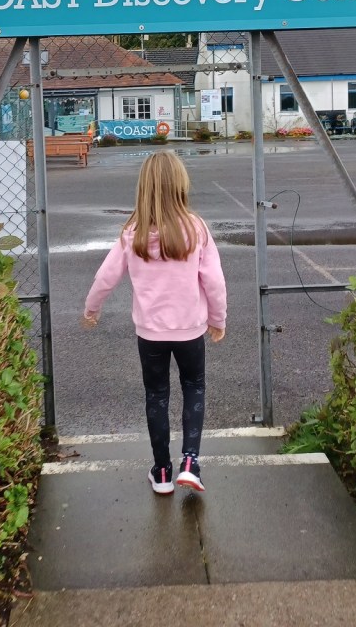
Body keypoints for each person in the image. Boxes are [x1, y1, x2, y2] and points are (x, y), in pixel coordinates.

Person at [82, 150, 226, 495]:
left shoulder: (132, 233)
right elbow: (215, 281)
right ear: (180, 184)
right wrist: (218, 319)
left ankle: (161, 472)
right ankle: (190, 462)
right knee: (194, 387)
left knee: (157, 395)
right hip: (191, 329)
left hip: (150, 333)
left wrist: (92, 309)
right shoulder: (196, 228)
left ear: (143, 188)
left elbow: (106, 276)